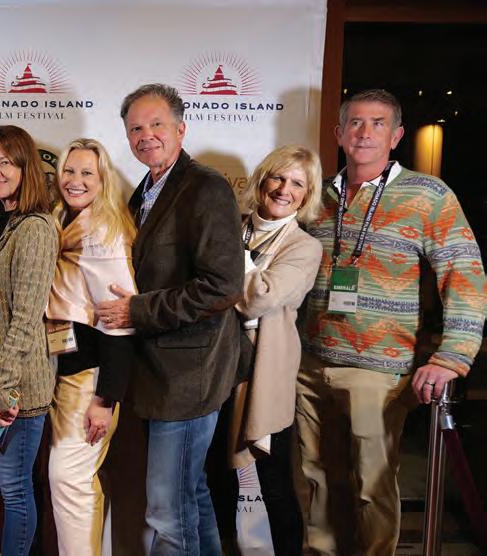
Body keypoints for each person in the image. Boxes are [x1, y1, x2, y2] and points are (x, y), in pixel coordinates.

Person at [296, 89, 486, 555]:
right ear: (339, 133)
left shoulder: (427, 195)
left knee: (371, 487)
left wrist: (452, 356)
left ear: (396, 136)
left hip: (379, 369)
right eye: (355, 123)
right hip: (310, 364)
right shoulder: (316, 194)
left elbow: (464, 272)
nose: (365, 133)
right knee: (316, 481)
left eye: (378, 123)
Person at [95, 83, 244, 555]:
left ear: (181, 128)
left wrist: (136, 310)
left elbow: (222, 286)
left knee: (167, 511)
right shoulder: (143, 191)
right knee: (189, 495)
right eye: (135, 129)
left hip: (190, 375)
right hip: (158, 373)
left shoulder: (206, 187)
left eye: (156, 124)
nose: (146, 136)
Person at [219, 145, 323, 555]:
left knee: (275, 482)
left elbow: (257, 299)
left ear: (306, 194)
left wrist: (231, 259)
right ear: (262, 180)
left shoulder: (304, 246)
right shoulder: (232, 225)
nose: (284, 189)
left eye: (297, 183)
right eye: (278, 178)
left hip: (265, 375)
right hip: (216, 366)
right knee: (217, 478)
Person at [45, 138, 137, 556]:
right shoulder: (62, 223)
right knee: (70, 484)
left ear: (103, 181)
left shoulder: (103, 233)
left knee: (71, 481)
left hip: (89, 380)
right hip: (62, 372)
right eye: (69, 171)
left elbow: (119, 321)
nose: (75, 180)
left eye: (87, 173)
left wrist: (106, 399)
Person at [0, 125, 59, 556]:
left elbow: (26, 316)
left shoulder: (36, 229)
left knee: (15, 489)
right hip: (4, 384)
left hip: (20, 387)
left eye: (6, 162)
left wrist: (3, 383)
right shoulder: (3, 225)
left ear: (26, 168)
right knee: (10, 487)